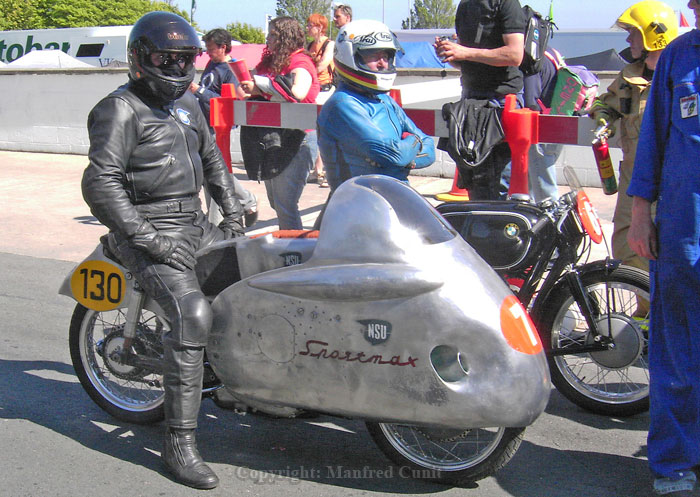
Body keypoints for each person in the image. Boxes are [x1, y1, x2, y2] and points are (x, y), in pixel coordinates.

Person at [81, 12, 245, 490]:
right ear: (140, 59)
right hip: (145, 230)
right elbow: (100, 184)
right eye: (165, 58)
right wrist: (149, 239)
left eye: (183, 58)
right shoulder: (119, 109)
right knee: (192, 313)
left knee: (264, 277)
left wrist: (232, 215)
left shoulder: (188, 104)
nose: (175, 67)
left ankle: (241, 382)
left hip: (194, 224)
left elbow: (213, 159)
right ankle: (179, 443)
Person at [627, 1, 700, 495]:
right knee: (676, 351)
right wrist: (639, 213)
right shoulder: (677, 57)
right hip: (681, 232)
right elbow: (653, 138)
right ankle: (673, 462)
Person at [588, 0, 678, 317]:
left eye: (633, 34)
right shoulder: (628, 77)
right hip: (632, 184)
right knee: (629, 250)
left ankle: (668, 322)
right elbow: (605, 104)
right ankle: (644, 318)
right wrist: (602, 119)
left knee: (671, 255)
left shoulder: (679, 78)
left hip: (671, 186)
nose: (628, 41)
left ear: (654, 37)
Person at [317, 20, 435, 191]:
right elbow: (395, 155)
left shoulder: (385, 100)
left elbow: (428, 147)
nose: (383, 63)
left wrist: (406, 157)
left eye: (386, 56)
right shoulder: (342, 104)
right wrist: (413, 141)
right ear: (350, 56)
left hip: (391, 197)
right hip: (357, 204)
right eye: (373, 56)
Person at [434, 0, 525, 200]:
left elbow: (515, 54)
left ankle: (497, 227)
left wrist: (464, 52)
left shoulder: (506, 3)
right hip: (470, 98)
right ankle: (482, 227)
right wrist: (452, 54)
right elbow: (470, 60)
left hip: (501, 101)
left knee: (501, 185)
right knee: (474, 180)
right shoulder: (466, 5)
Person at [238, 16, 319, 230]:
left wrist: (260, 90)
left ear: (286, 37)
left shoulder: (301, 62)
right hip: (272, 138)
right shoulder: (268, 63)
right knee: (276, 202)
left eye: (273, 34)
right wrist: (251, 87)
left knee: (285, 204)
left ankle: (294, 256)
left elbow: (297, 92)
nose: (268, 38)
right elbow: (244, 88)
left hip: (298, 138)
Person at [189, 28, 258, 228]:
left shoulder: (230, 71)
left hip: (218, 128)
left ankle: (244, 201)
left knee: (216, 171)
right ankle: (230, 209)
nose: (208, 53)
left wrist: (199, 90)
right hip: (205, 124)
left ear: (223, 47)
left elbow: (228, 101)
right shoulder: (212, 64)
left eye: (211, 49)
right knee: (208, 173)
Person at [523, 50, 564, 203]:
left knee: (544, 191)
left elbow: (530, 101)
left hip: (539, 130)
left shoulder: (532, 62)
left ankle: (550, 224)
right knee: (537, 184)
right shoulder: (552, 54)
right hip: (558, 123)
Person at [306, 13, 334, 188]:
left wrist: (306, 72)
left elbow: (323, 64)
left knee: (323, 130)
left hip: (325, 90)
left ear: (320, 27)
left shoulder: (329, 44)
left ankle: (323, 171)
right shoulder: (310, 45)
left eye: (311, 25)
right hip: (314, 89)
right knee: (313, 129)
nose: (308, 28)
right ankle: (318, 170)